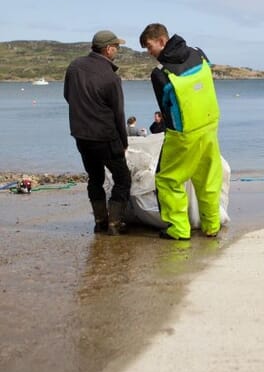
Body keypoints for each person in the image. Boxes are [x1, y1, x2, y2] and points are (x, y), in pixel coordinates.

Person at [139, 23, 222, 240]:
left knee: (167, 180)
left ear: (162, 41)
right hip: (210, 124)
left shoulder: (160, 73)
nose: (149, 53)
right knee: (208, 177)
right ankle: (212, 225)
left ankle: (179, 229)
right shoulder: (198, 53)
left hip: (184, 133)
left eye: (149, 47)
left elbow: (165, 109)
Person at [64, 30, 132, 235]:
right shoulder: (111, 77)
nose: (117, 50)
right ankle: (115, 223)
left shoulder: (75, 66)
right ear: (108, 49)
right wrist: (124, 141)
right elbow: (118, 113)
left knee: (95, 178)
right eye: (117, 47)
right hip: (105, 136)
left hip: (81, 135)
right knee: (123, 179)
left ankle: (100, 221)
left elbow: (68, 95)